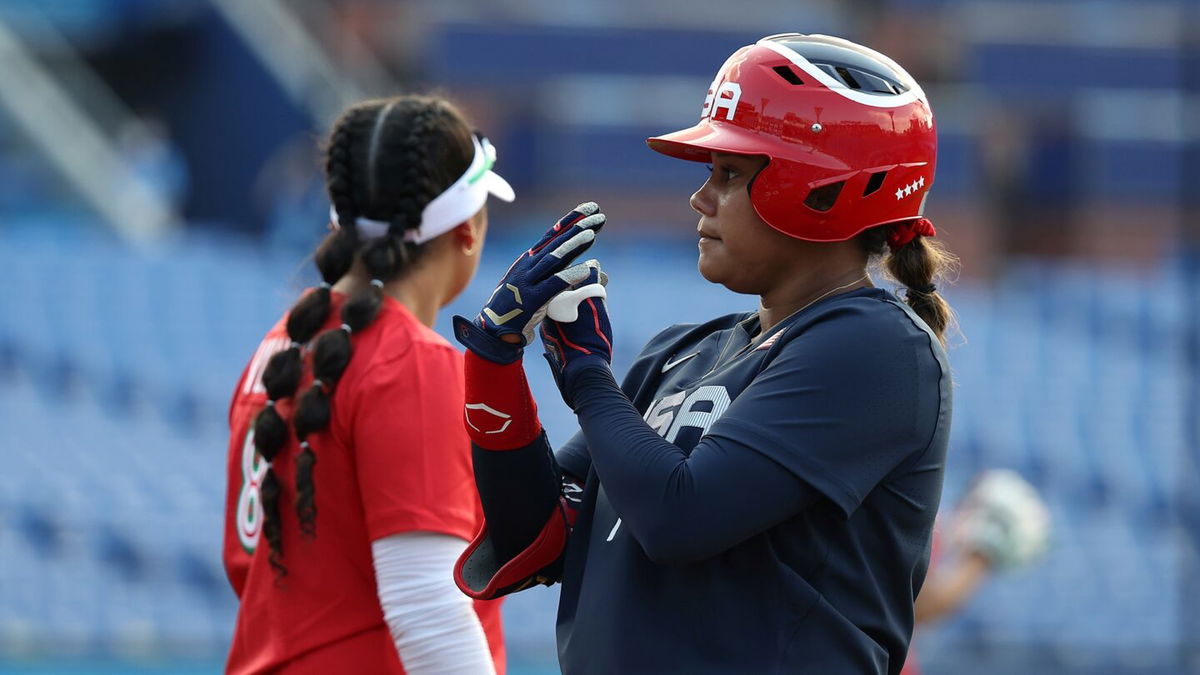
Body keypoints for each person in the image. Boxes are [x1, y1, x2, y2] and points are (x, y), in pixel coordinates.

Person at [449, 34, 957, 674]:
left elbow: (680, 517)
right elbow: (537, 536)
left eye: (730, 174)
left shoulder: (877, 347)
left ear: (822, 189)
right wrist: (494, 362)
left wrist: (586, 376)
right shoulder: (681, 352)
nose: (701, 198)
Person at [222, 95, 511, 674]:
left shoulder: (283, 343)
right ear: (466, 230)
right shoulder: (411, 363)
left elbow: (248, 567)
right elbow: (429, 610)